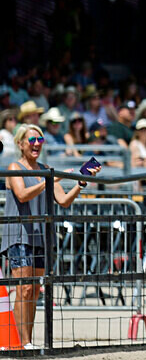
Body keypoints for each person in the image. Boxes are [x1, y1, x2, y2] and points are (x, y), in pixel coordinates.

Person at [3, 124, 100, 348]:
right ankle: (22, 342)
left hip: (40, 236)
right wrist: (47, 180)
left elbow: (64, 201)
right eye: (32, 140)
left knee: (34, 289)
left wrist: (81, 184)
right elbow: (23, 194)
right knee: (23, 288)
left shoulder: (46, 170)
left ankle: (27, 341)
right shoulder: (14, 167)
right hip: (19, 234)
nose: (36, 144)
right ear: (20, 144)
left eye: (40, 140)